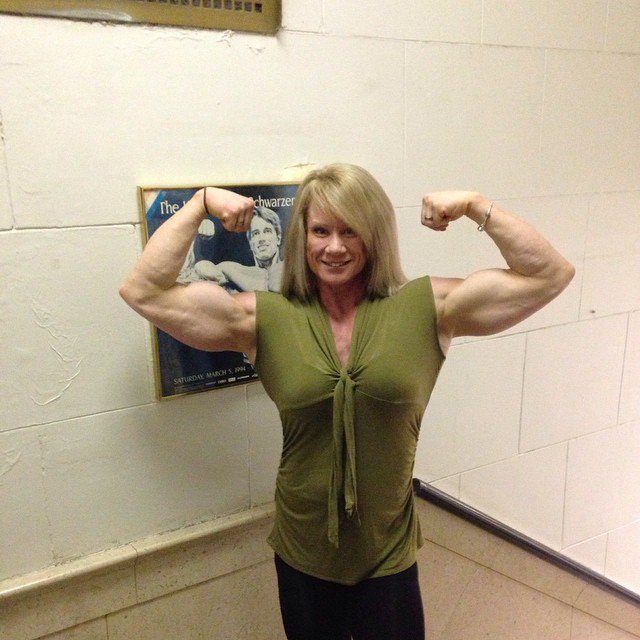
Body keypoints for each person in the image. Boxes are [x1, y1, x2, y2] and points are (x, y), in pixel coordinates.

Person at [119, 163, 574, 640]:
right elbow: (143, 291)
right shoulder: (260, 318)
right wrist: (200, 204)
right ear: (302, 236)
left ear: (374, 235)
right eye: (321, 231)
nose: (334, 247)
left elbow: (548, 275)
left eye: (350, 230)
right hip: (303, 552)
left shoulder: (429, 307)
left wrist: (476, 206)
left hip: (387, 554)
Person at [193, 205, 284, 292]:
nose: (261, 239)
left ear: (278, 238)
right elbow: (203, 269)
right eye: (256, 233)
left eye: (267, 231)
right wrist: (201, 264)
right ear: (250, 242)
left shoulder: (289, 269)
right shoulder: (235, 270)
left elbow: (271, 282)